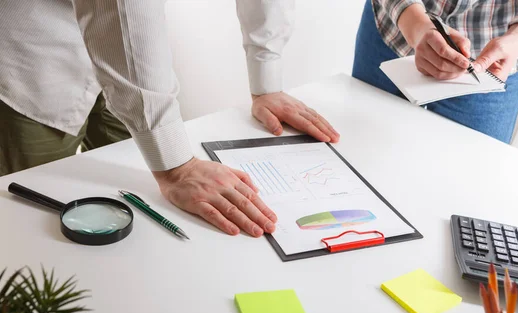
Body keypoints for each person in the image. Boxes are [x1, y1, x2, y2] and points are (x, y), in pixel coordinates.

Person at [0, 0, 339, 238]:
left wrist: (266, 80)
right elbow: (121, 11)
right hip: (33, 47)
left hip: (137, 49)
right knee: (31, 218)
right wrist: (177, 167)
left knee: (144, 202)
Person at [352, 0, 518, 143]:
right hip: (394, 26)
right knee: (357, 159)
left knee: (467, 195)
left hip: (495, 63)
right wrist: (414, 23)